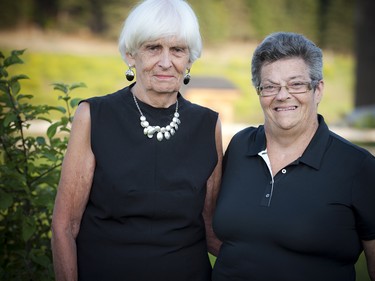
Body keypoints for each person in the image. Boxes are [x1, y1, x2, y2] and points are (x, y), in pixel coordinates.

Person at [51, 0, 223, 280]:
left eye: (177, 50)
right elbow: (65, 225)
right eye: (153, 48)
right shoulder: (94, 116)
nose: (166, 62)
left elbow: (211, 226)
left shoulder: (208, 125)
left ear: (189, 59)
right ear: (131, 55)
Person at [212, 32, 375, 281]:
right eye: (270, 86)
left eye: (296, 84)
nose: (282, 95)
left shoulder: (357, 166)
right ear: (259, 92)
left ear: (318, 89)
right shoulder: (239, 146)